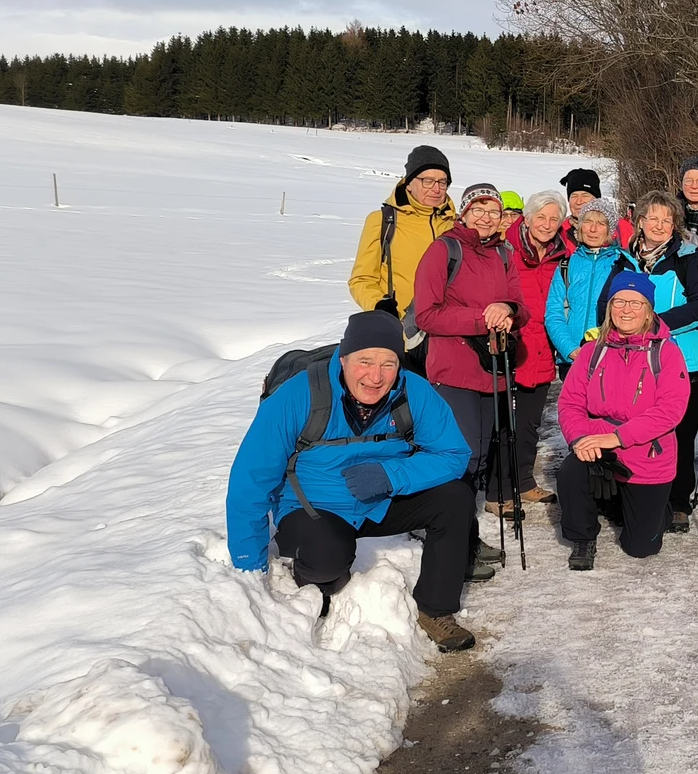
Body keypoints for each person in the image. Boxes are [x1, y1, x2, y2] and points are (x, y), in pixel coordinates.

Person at [227, 311, 477, 652]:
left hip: (381, 499)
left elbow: (453, 454)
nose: (375, 376)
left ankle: (436, 609)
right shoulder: (299, 395)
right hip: (314, 506)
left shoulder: (413, 391)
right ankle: (314, 583)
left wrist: (392, 475)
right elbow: (251, 479)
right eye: (364, 361)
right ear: (343, 358)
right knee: (327, 562)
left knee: (455, 499)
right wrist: (248, 565)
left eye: (388, 364)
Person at [413, 183, 526, 562]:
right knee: (459, 457)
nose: (486, 217)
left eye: (493, 211)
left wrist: (507, 310)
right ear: (463, 212)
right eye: (478, 209)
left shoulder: (505, 253)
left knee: (479, 459)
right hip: (453, 370)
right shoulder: (444, 249)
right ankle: (448, 537)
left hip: (493, 368)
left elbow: (520, 306)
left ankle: (463, 535)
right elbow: (427, 314)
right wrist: (483, 318)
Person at [557, 272, 691, 568]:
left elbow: (671, 410)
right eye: (619, 301)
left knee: (640, 548)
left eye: (635, 303)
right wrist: (579, 438)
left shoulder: (666, 352)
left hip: (646, 451)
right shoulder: (593, 351)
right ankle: (582, 537)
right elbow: (570, 402)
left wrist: (617, 438)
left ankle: (655, 509)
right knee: (569, 473)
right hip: (597, 443)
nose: (626, 309)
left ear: (648, 311)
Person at [628, 191, 698, 531]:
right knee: (642, 432)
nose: (660, 226)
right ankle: (643, 494)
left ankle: (679, 501)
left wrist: (655, 324)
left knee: (679, 434)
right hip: (635, 361)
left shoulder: (689, 257)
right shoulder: (626, 259)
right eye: (653, 219)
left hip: (683, 362)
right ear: (641, 223)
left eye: (667, 220)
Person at [348, 145, 457, 377]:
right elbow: (361, 279)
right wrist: (380, 306)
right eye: (427, 180)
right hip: (401, 335)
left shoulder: (455, 224)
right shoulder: (383, 221)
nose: (436, 189)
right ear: (409, 182)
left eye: (442, 181)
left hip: (447, 335)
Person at [491, 190, 568, 510]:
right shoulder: (504, 249)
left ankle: (523, 482)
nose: (547, 224)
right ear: (527, 217)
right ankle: (497, 492)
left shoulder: (561, 255)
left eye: (554, 219)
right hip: (510, 346)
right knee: (501, 423)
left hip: (540, 350)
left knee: (528, 422)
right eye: (541, 217)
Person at [546, 197, 632, 363]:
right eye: (588, 222)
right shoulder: (566, 265)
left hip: (611, 358)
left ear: (609, 230)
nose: (593, 229)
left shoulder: (624, 263)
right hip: (572, 359)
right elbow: (553, 312)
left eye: (600, 224)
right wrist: (570, 349)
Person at [562, 165, 634, 249]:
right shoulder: (560, 231)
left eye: (585, 196)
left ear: (596, 199)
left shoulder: (621, 227)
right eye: (574, 196)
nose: (578, 201)